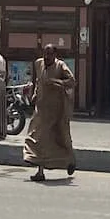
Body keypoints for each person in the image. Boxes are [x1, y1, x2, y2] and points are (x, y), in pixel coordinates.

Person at [22, 43, 77, 182]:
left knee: (62, 137)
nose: (47, 57)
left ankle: (70, 161)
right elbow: (38, 80)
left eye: (50, 54)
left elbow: (72, 81)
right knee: (36, 136)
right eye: (45, 54)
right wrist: (34, 93)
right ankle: (38, 168)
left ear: (55, 55)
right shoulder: (38, 64)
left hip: (57, 110)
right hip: (41, 108)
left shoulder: (60, 66)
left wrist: (58, 82)